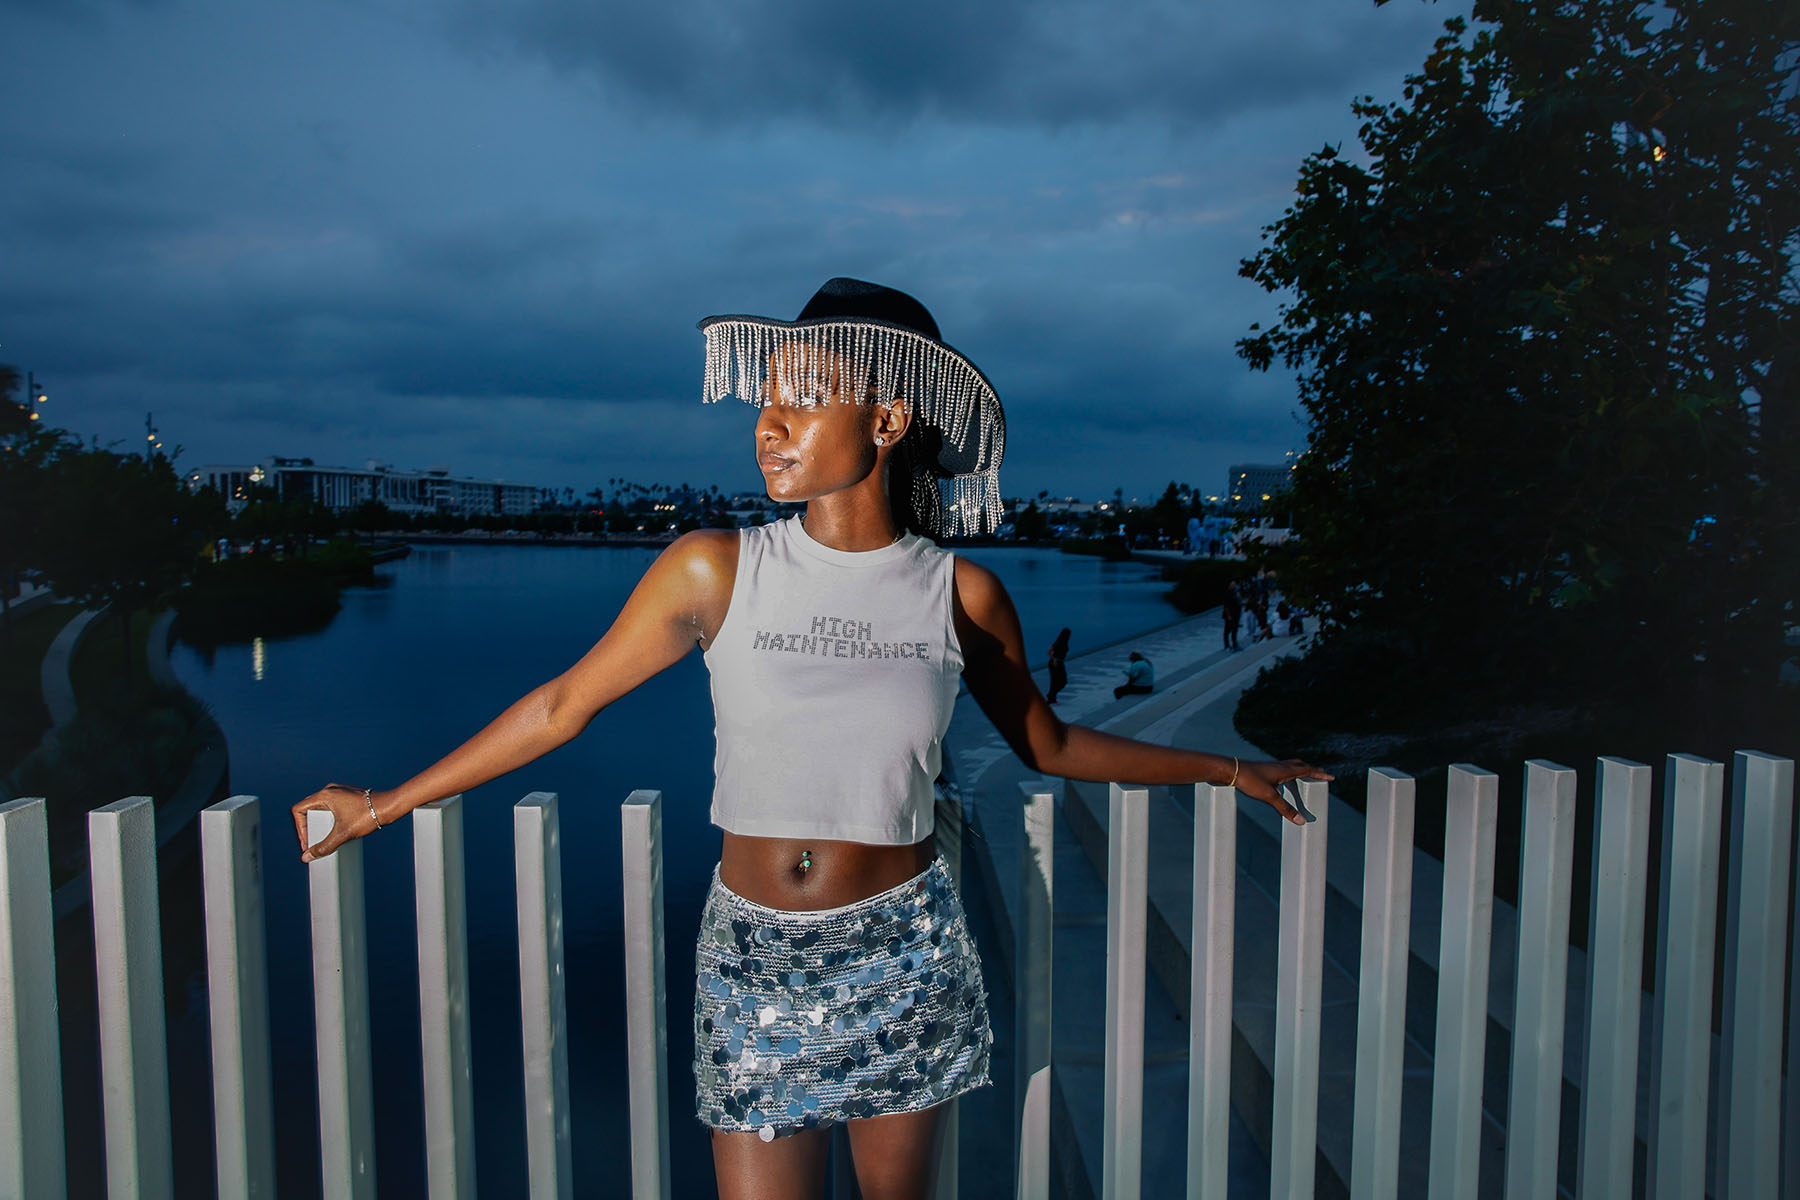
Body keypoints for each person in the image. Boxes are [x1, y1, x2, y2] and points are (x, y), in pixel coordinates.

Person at [290, 278, 1328, 1200]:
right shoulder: (713, 567)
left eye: (802, 396)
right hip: (752, 959)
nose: (769, 423)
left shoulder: (960, 593)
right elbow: (562, 707)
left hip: (905, 951)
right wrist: (379, 807)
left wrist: (1232, 765)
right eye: (765, 400)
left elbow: (1049, 746)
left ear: (885, 418)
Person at [1046, 627, 1071, 704]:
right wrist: (1054, 659)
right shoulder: (1058, 642)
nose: (1070, 637)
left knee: (1063, 681)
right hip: (1054, 663)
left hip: (1061, 663)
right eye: (1069, 635)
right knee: (1055, 681)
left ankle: (1051, 695)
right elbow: (1049, 651)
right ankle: (1051, 698)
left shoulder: (1065, 642)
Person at [1222, 580, 1242, 651]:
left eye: (1235, 585)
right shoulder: (1227, 593)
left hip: (1236, 614)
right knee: (1227, 630)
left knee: (1234, 630)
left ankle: (1235, 644)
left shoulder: (1235, 592)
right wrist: (1228, 615)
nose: (1234, 586)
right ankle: (1227, 645)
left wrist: (1239, 597)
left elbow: (1239, 601)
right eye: (1233, 585)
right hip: (1230, 615)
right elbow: (1226, 606)